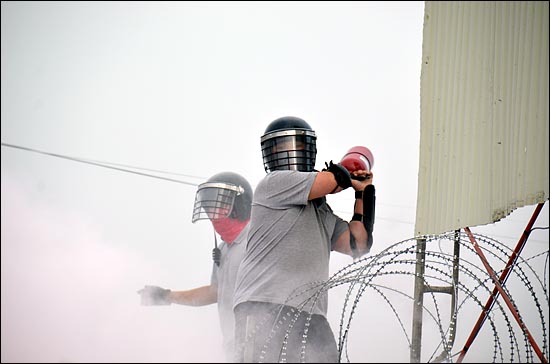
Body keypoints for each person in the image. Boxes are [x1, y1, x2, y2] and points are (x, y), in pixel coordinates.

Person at [232, 116, 375, 363]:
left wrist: (363, 193)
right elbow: (331, 180)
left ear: (309, 149)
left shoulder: (321, 210)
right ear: (270, 154)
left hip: (310, 312)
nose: (290, 152)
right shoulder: (272, 184)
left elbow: (357, 244)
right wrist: (347, 172)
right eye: (281, 147)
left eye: (297, 146)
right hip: (264, 304)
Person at [138, 171, 253, 362]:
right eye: (209, 208)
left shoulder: (258, 240)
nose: (212, 214)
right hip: (234, 347)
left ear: (240, 205)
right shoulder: (224, 250)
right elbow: (215, 292)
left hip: (260, 340)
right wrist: (167, 296)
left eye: (219, 205)